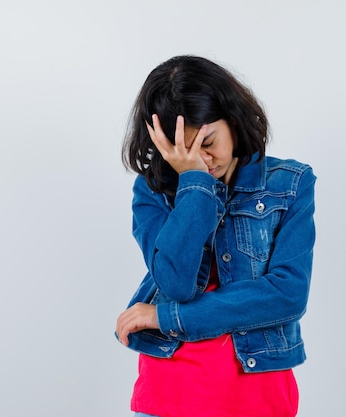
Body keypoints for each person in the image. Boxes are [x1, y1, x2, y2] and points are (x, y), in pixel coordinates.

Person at [115, 55, 316, 417]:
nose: (202, 159)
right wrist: (195, 184)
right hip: (169, 393)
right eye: (183, 150)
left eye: (208, 141)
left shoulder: (290, 185)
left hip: (257, 392)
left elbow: (288, 295)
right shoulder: (153, 192)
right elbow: (177, 283)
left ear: (234, 121)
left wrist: (167, 318)